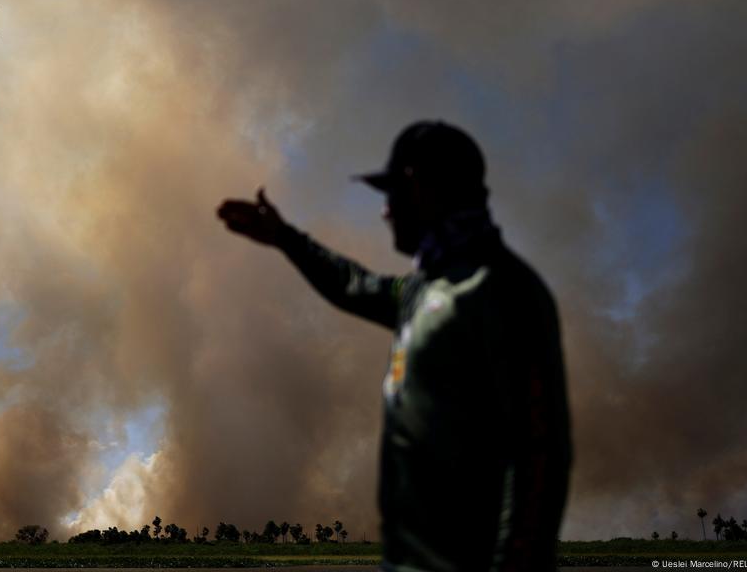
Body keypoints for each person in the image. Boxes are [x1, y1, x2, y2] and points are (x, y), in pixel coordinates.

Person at [216, 120, 572, 571]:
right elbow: (353, 284)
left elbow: (539, 455)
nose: (384, 212)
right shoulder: (419, 293)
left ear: (419, 185)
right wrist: (285, 238)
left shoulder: (503, 289)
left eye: (391, 194)